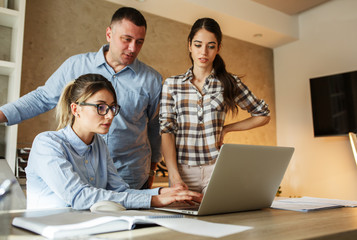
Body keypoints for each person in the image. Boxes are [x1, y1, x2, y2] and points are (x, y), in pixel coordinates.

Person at [0, 7, 161, 189]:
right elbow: (42, 97)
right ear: (109, 33)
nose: (133, 48)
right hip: (82, 172)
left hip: (129, 176)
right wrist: (2, 114)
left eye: (139, 42)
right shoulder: (76, 65)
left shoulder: (152, 80)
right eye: (127, 39)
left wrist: (151, 171)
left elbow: (155, 128)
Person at [25, 74, 202, 210]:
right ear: (76, 109)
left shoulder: (99, 144)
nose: (110, 116)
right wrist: (153, 199)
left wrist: (163, 192)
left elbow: (119, 191)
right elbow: (79, 196)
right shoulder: (47, 143)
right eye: (101, 107)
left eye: (112, 108)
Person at [159, 18, 271, 193]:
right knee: (183, 219)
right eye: (198, 45)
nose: (204, 52)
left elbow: (263, 115)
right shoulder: (172, 85)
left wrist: (226, 129)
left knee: (220, 219)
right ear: (189, 45)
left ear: (218, 48)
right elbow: (166, 131)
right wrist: (174, 175)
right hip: (182, 171)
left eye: (211, 46)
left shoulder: (228, 82)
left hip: (217, 169)